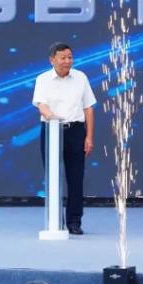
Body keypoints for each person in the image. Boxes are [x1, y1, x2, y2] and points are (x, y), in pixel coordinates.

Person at [32, 42, 96, 235]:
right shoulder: (43, 79)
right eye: (63, 58)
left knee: (76, 178)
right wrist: (51, 117)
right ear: (52, 60)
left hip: (75, 130)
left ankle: (74, 221)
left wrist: (89, 136)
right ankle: (55, 221)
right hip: (51, 129)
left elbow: (88, 108)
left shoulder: (80, 77)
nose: (67, 61)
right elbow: (41, 104)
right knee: (52, 177)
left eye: (70, 57)